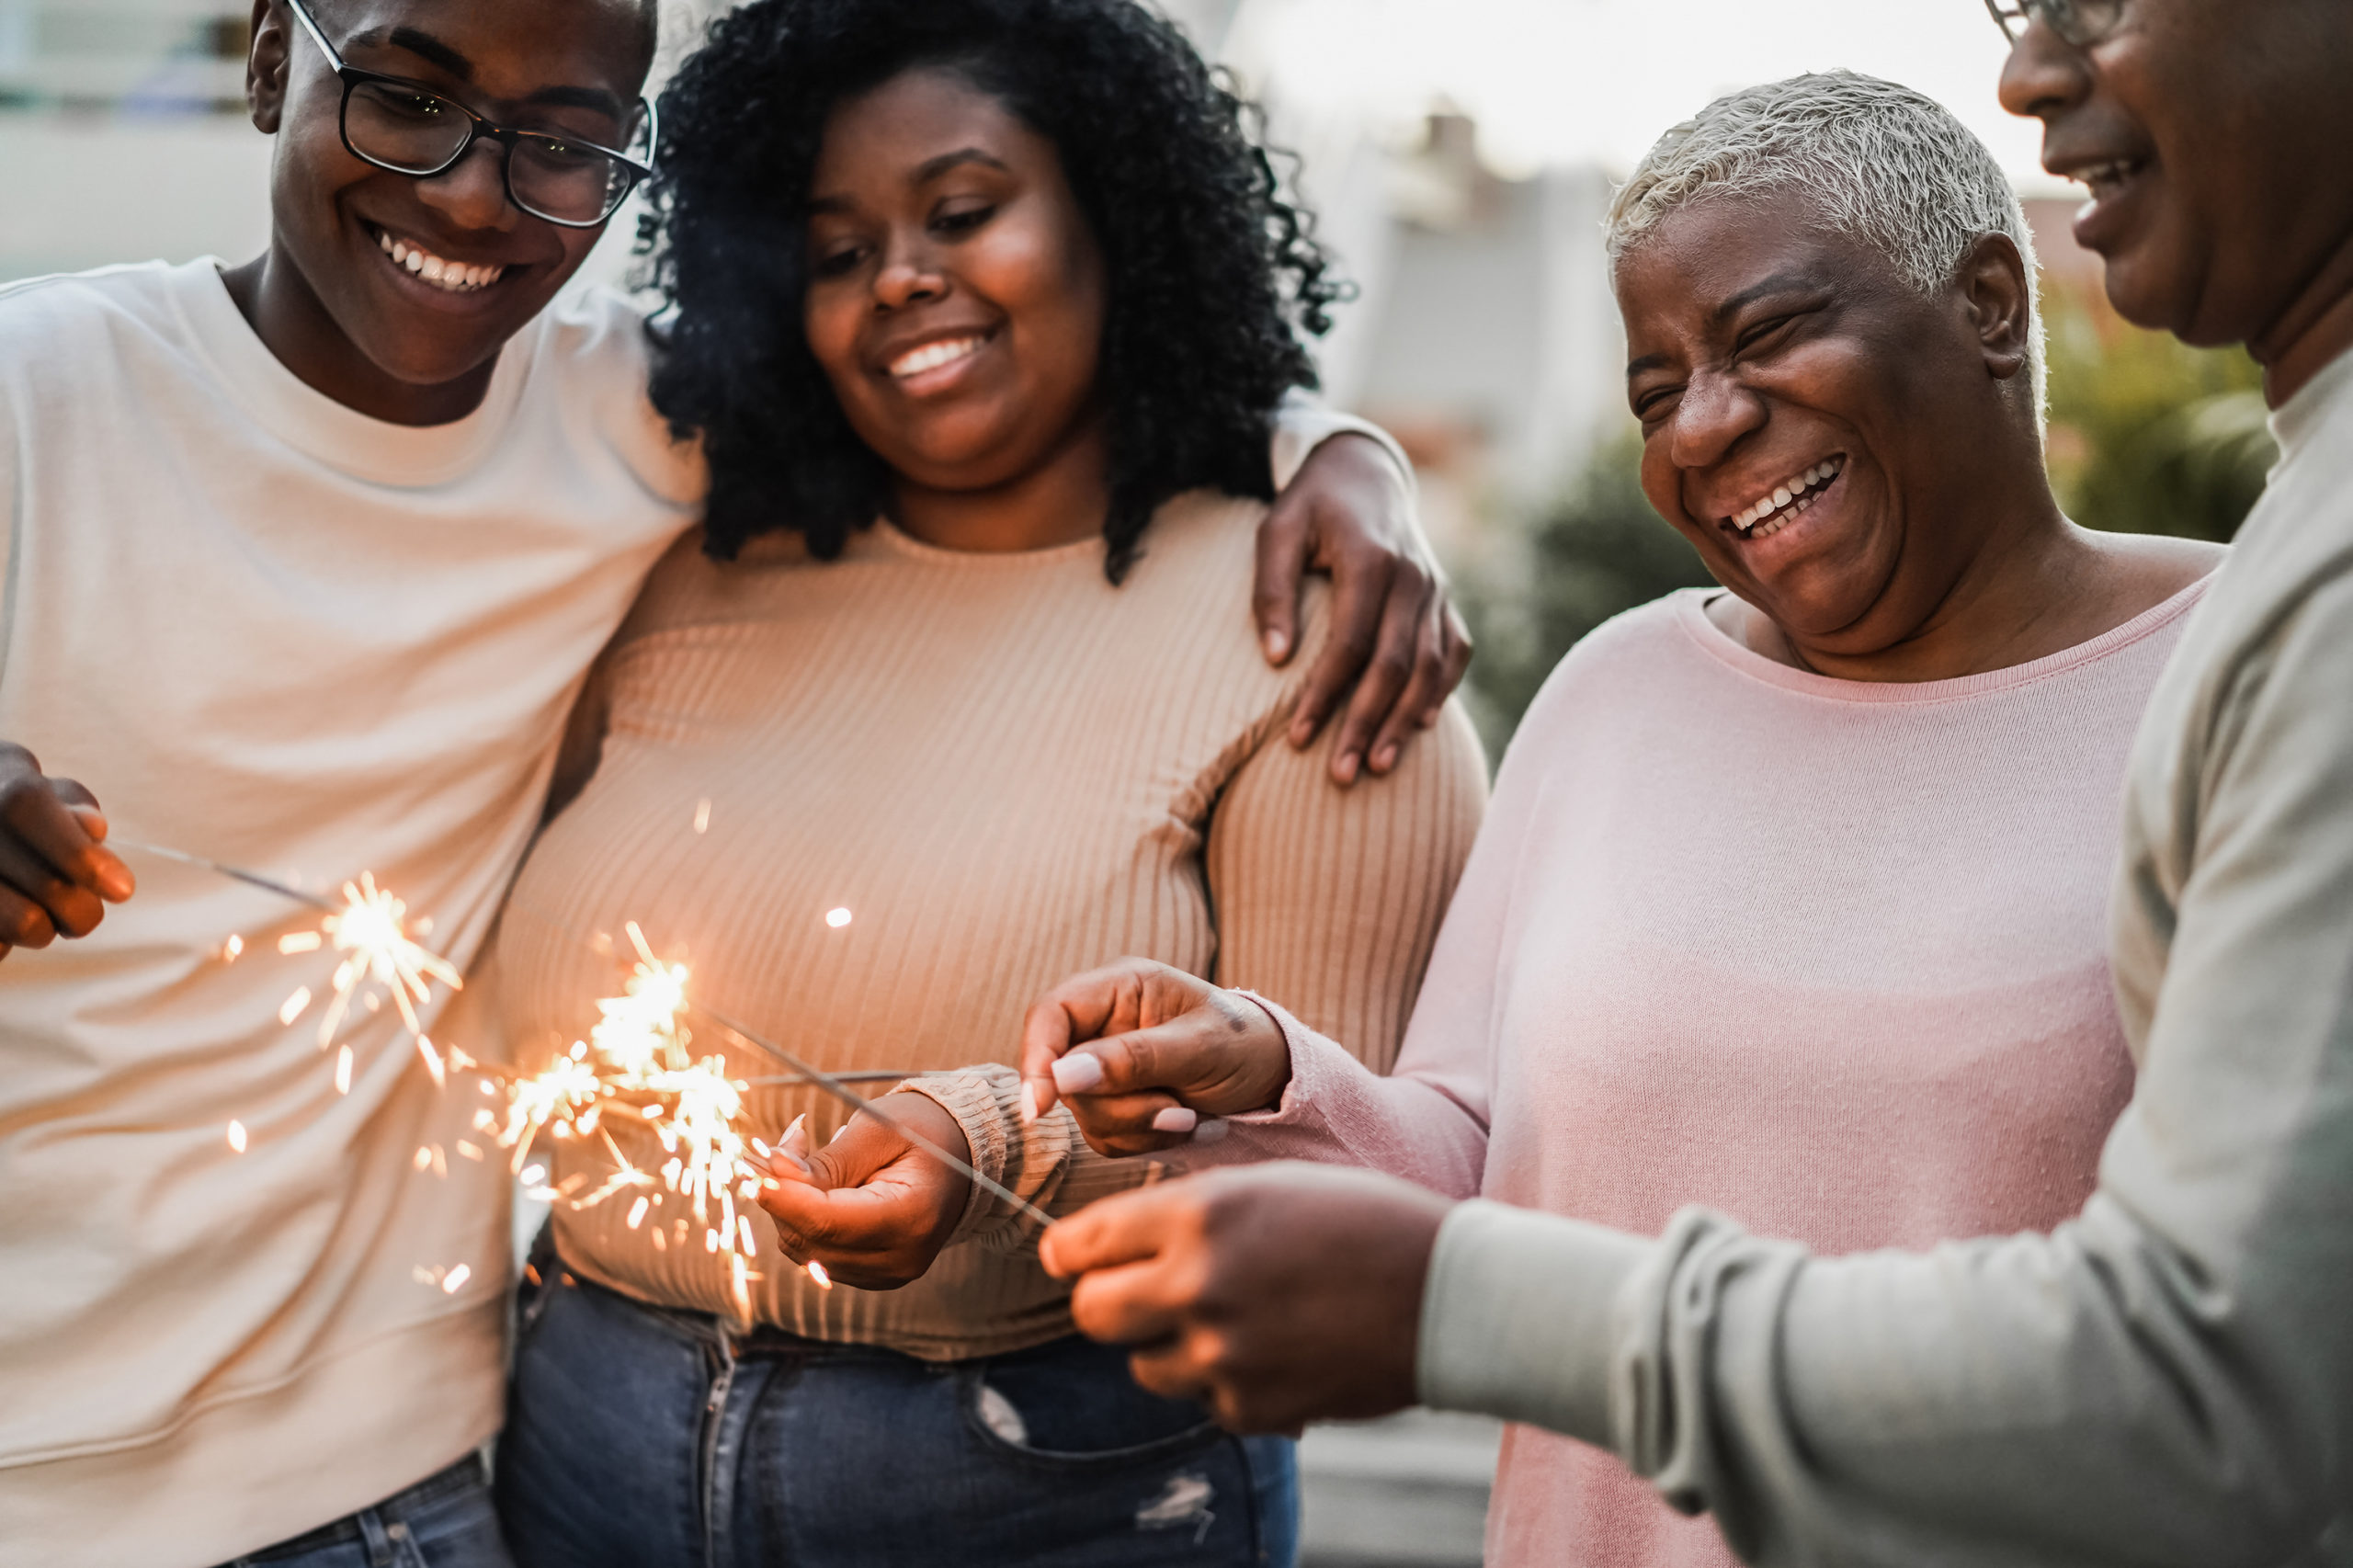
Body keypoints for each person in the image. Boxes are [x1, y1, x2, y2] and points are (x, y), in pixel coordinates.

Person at [0, 1, 1461, 1563]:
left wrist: (1343, 444)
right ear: (273, 61)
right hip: (411, 1454)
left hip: (470, 1482)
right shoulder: (57, 395)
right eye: (403, 99)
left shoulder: (1308, 626)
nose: (477, 193)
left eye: (560, 141)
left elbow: (1337, 1159)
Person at [1036, 5, 2353, 1565]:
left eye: (1769, 333)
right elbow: (1482, 1145)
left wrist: (1468, 1305)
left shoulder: (2250, 653)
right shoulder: (1616, 692)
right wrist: (1268, 1071)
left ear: (1992, 303)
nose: (1705, 426)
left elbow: (2225, 1342)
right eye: (1658, 389)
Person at [479, 3, 1488, 1566]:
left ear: (1114, 215)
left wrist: (1001, 1137)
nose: (898, 278)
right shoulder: (690, 566)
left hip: (1048, 1482)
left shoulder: (1316, 624)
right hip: (581, 1436)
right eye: (833, 250)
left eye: (963, 212)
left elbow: (1338, 1157)